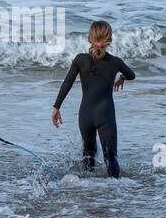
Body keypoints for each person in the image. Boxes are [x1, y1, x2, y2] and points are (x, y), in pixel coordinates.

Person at [51, 20, 135, 178]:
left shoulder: (80, 59)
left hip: (85, 116)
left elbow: (67, 84)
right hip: (106, 116)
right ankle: (114, 196)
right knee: (111, 160)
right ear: (109, 40)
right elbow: (132, 75)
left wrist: (56, 107)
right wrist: (122, 77)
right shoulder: (115, 62)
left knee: (88, 157)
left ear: (90, 39)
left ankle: (87, 196)